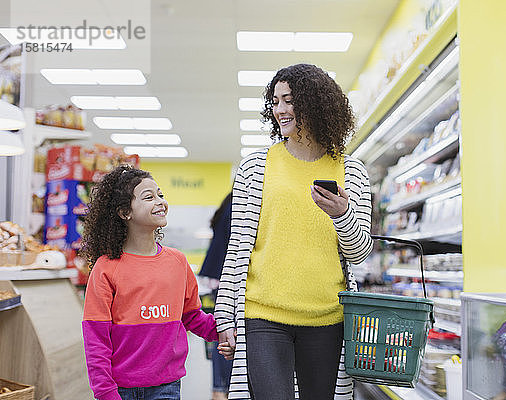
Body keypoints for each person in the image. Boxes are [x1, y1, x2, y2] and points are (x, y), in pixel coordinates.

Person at [214, 63, 373, 400]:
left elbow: (360, 251)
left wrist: (343, 214)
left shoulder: (352, 170)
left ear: (316, 103)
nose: (280, 110)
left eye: (290, 100)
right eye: (275, 101)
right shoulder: (255, 168)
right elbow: (238, 246)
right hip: (263, 315)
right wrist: (224, 317)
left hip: (328, 317)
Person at [80, 165, 231, 400]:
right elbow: (96, 339)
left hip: (166, 385)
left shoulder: (177, 261)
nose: (160, 201)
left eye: (160, 194)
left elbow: (191, 316)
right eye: (149, 197)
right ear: (124, 212)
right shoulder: (106, 267)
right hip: (119, 389)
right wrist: (105, 391)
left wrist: (222, 331)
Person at [199, 192, 234, 400]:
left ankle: (219, 390)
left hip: (218, 277)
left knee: (224, 331)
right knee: (229, 335)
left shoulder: (226, 203)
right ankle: (222, 390)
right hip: (229, 277)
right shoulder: (238, 204)